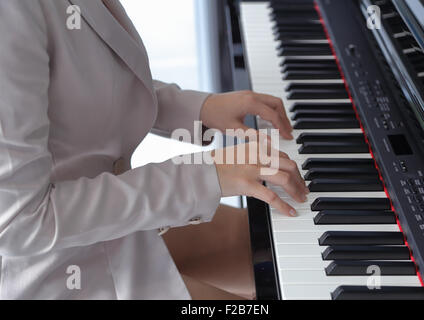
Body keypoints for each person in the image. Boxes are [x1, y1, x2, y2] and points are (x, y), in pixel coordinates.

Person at [0, 0, 309, 299]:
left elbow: (70, 83)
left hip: (106, 225)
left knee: (292, 246)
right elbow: (20, 224)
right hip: (48, 270)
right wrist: (204, 175)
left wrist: (195, 109)